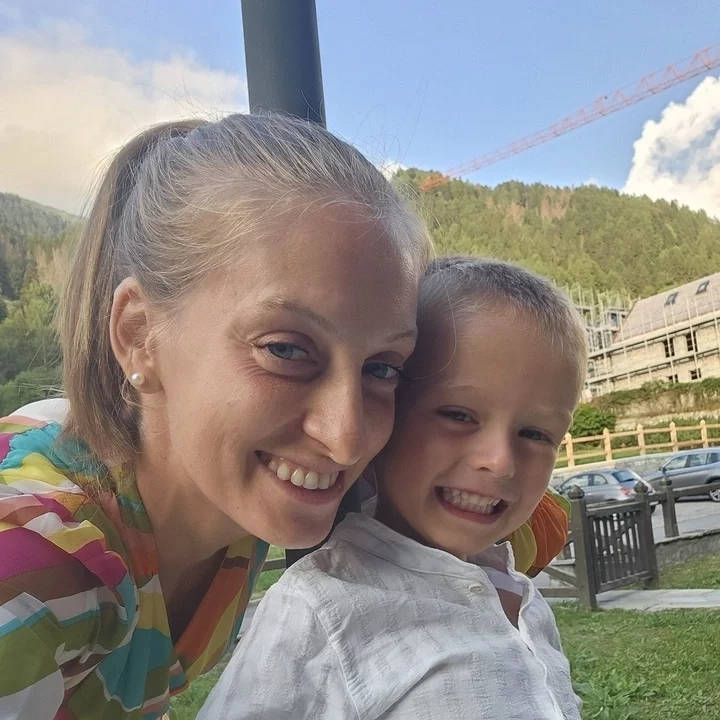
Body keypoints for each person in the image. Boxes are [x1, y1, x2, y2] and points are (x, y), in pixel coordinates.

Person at [0, 113, 431, 719]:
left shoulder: (235, 485)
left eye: (382, 366)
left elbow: (483, 503)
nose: (346, 438)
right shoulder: (30, 576)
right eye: (286, 350)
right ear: (139, 335)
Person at [199, 257, 587, 720]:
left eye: (536, 434)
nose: (500, 461)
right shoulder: (319, 609)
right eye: (458, 415)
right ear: (382, 415)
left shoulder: (527, 601)